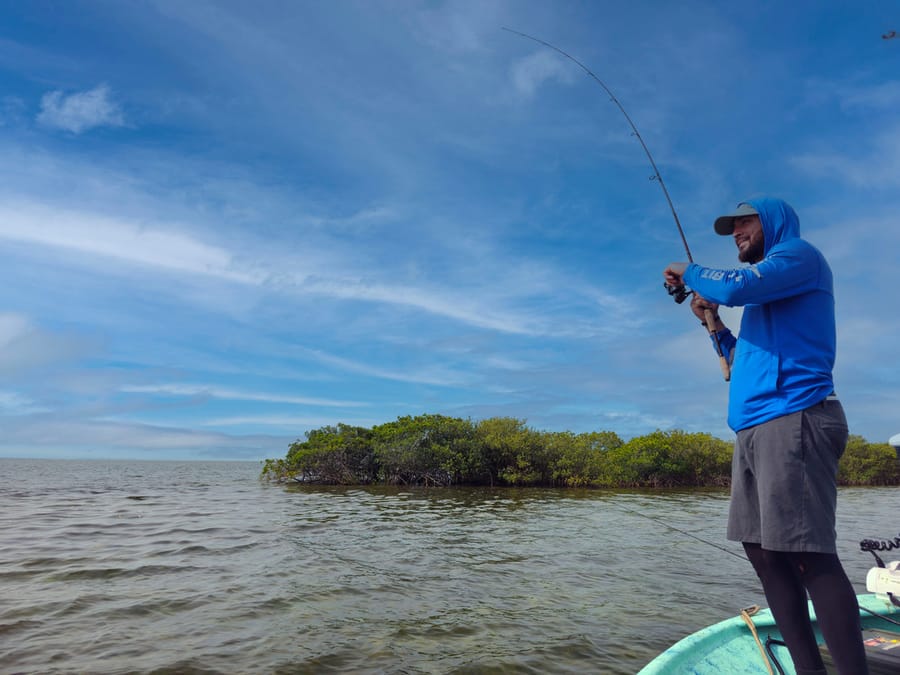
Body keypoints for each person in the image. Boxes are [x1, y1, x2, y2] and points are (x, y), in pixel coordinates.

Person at [663, 197, 867, 675]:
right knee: (764, 553)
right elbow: (741, 361)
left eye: (744, 223)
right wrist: (711, 323)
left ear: (772, 221)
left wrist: (686, 269)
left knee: (808, 555)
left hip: (795, 417)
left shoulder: (798, 256)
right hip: (754, 428)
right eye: (732, 227)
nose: (736, 233)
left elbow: (733, 287)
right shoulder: (763, 300)